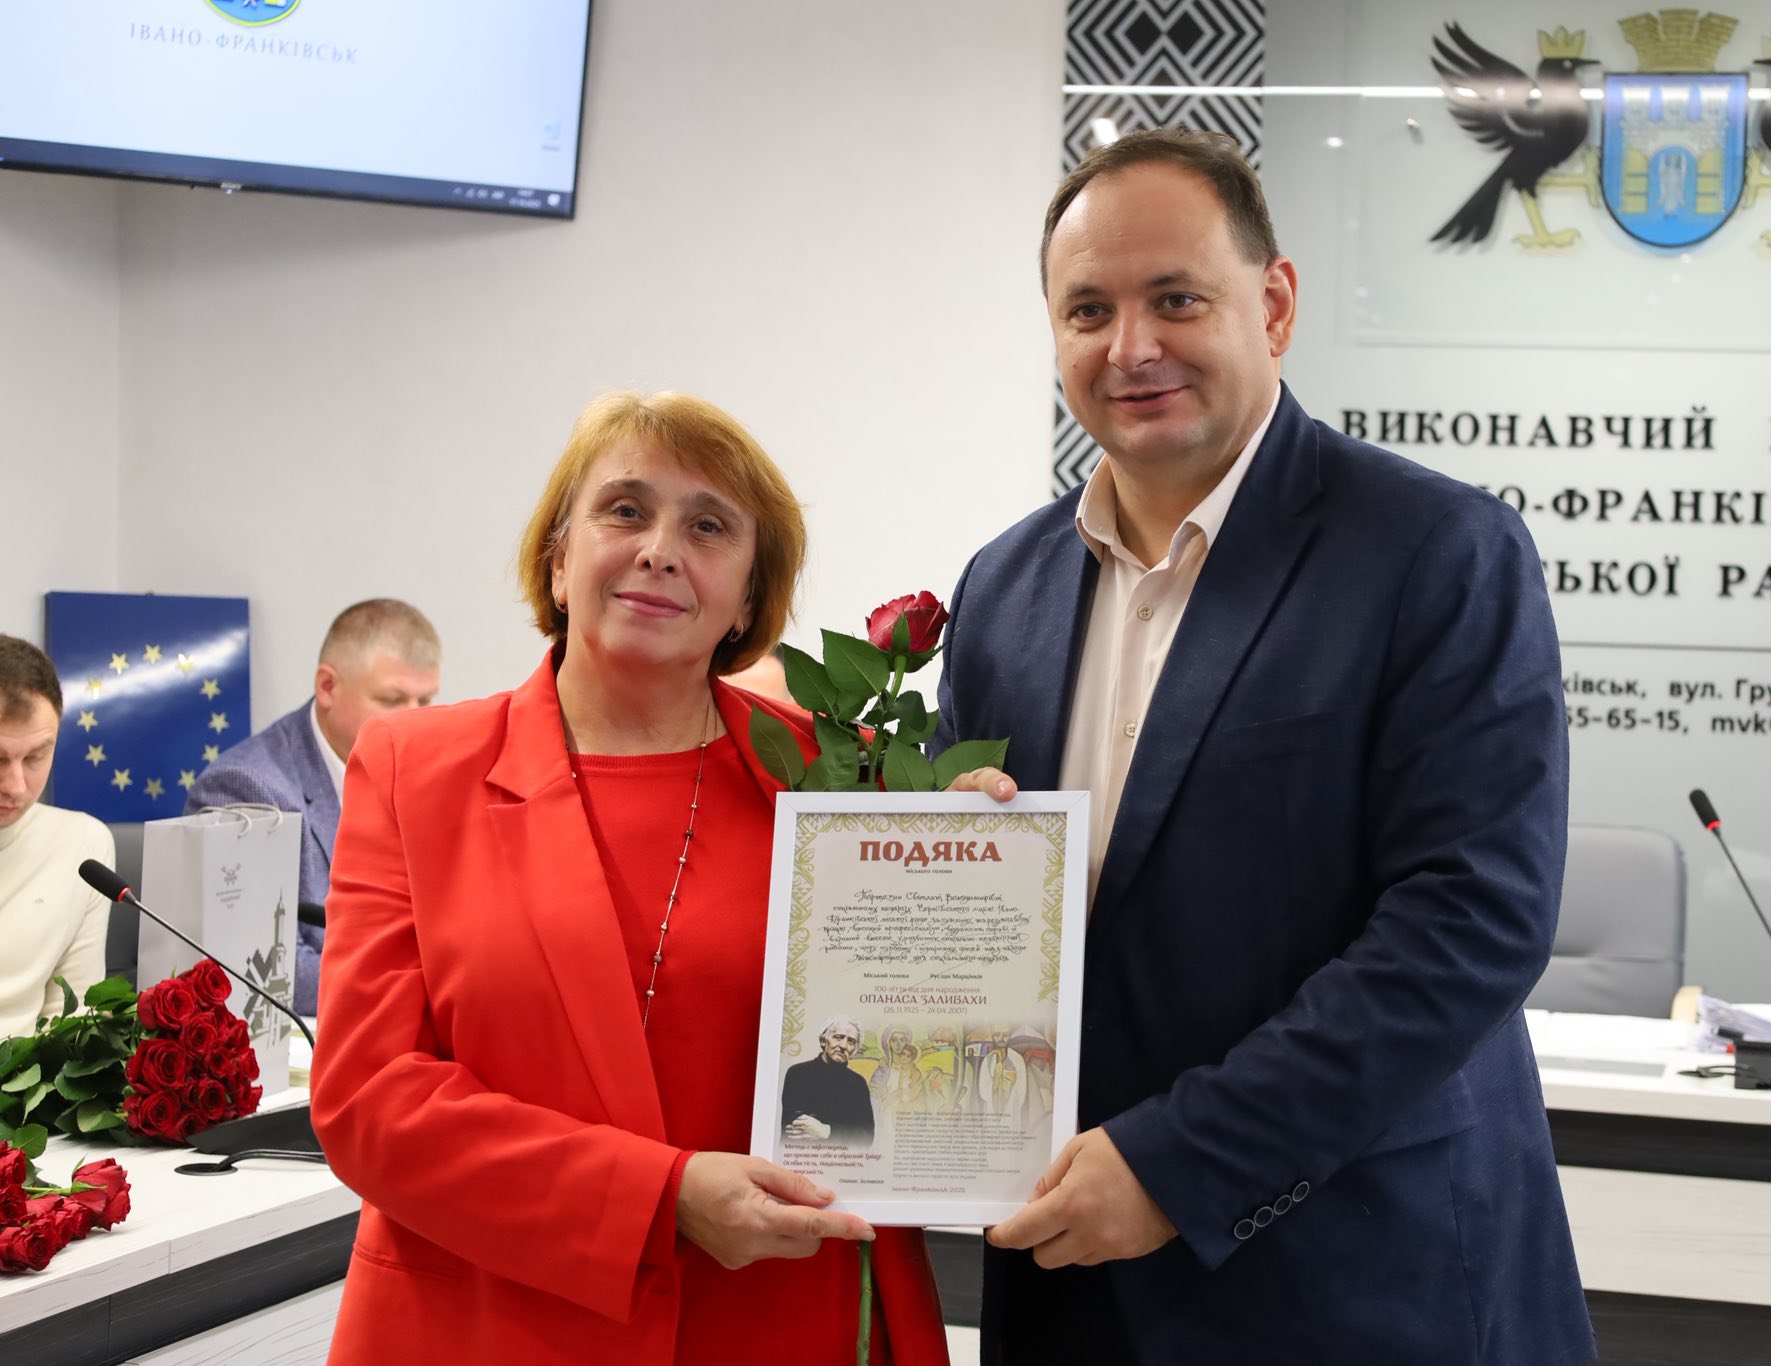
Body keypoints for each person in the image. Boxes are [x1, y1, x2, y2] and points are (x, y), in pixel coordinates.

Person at [936, 127, 1593, 1363]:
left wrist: (1176, 1162)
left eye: (1175, 299)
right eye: (1087, 311)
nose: (1129, 347)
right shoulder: (1000, 589)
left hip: (1350, 1281)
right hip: (1068, 1287)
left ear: (1274, 304)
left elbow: (1469, 923)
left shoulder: (1433, 552)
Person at [309, 392, 974, 1364]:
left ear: (747, 598)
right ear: (558, 559)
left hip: (778, 1318)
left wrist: (982, 860)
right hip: (496, 1324)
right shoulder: (414, 770)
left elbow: (919, 1053)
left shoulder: (843, 778)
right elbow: (369, 1099)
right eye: (625, 510)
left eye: (708, 526)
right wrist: (659, 1198)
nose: (661, 549)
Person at [186, 599, 439, 1014]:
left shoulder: (424, 777)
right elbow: (261, 964)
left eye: (425, 701)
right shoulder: (246, 789)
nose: (415, 722)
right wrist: (424, 990)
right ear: (327, 687)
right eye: (392, 699)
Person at [0, 636, 115, 1039]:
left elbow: (72, 1023)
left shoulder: (83, 846)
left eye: (36, 757)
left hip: (22, 1078)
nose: (15, 786)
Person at [781, 1015, 877, 1147]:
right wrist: (845, 1131)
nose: (843, 1045)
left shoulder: (858, 1084)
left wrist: (827, 1131)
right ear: (823, 1041)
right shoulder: (797, 1074)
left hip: (842, 1159)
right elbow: (794, 1130)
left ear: (854, 1050)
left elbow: (866, 1138)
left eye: (851, 1042)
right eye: (838, 1037)